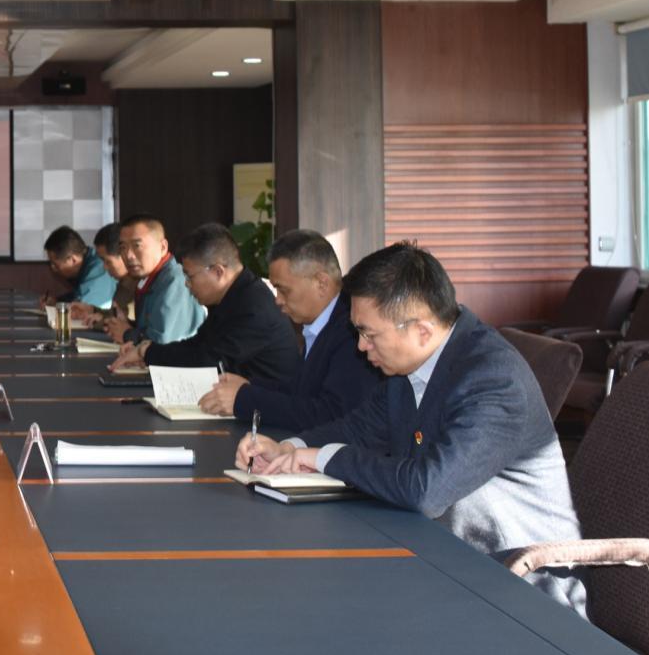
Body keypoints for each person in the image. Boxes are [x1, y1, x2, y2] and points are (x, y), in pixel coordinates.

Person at [236, 242, 585, 612]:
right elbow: (359, 428)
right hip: (442, 556)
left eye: (369, 334)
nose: (361, 346)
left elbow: (427, 489)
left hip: (519, 588)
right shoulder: (413, 364)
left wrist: (324, 457)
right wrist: (290, 447)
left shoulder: (494, 381)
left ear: (422, 330)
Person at [196, 229, 384, 429]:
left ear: (321, 283)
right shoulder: (324, 322)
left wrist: (244, 399)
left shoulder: (351, 330)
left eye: (284, 290)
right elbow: (300, 390)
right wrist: (248, 386)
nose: (277, 300)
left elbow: (330, 414)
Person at [119, 223, 300, 383]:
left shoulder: (253, 307)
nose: (187, 284)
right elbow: (198, 345)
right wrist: (148, 351)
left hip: (265, 407)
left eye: (190, 276)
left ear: (217, 272)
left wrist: (147, 353)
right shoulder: (232, 295)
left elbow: (209, 362)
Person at [104, 216, 203, 350]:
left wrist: (127, 333)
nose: (128, 255)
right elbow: (151, 328)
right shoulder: (149, 278)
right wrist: (125, 325)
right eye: (123, 247)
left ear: (163, 247)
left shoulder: (175, 280)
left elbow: (163, 343)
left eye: (137, 246)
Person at [68, 224, 135, 324]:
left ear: (124, 254)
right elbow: (117, 315)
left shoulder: (142, 286)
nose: (105, 267)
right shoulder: (125, 283)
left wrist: (102, 321)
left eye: (107, 261)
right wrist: (92, 310)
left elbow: (131, 326)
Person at [40, 226, 117, 310]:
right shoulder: (87, 262)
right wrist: (57, 302)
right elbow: (78, 295)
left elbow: (80, 310)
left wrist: (59, 306)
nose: (53, 269)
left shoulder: (97, 273)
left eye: (55, 265)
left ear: (73, 260)